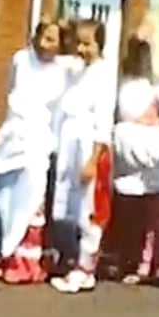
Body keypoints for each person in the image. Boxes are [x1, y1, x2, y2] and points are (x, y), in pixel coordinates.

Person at [0, 20, 71, 283]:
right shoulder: (20, 59)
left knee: (31, 198)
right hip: (13, 135)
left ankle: (24, 262)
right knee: (4, 197)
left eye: (53, 39)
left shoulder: (62, 71)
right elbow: (13, 92)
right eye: (44, 37)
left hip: (39, 139)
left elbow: (58, 111)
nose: (47, 44)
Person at [102, 35, 159, 284]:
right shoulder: (123, 82)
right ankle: (126, 259)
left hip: (152, 151)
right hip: (126, 151)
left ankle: (146, 264)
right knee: (128, 210)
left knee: (152, 212)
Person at [50, 19, 114, 294]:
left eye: (88, 43)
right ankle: (74, 259)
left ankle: (86, 266)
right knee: (69, 206)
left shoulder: (104, 73)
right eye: (79, 43)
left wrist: (93, 159)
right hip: (68, 141)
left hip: (89, 143)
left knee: (88, 208)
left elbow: (103, 120)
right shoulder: (74, 69)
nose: (82, 49)